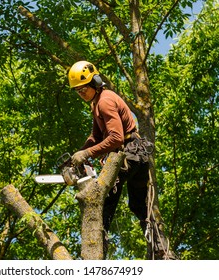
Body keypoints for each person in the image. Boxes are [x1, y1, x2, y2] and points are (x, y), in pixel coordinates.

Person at [68, 60, 176, 260]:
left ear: (94, 82)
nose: (80, 94)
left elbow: (116, 138)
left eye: (83, 89)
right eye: (77, 91)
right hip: (137, 157)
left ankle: (97, 252)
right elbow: (96, 138)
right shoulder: (97, 103)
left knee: (101, 202)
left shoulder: (105, 101)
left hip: (129, 155)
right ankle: (162, 250)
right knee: (138, 205)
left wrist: (88, 154)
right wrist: (79, 154)